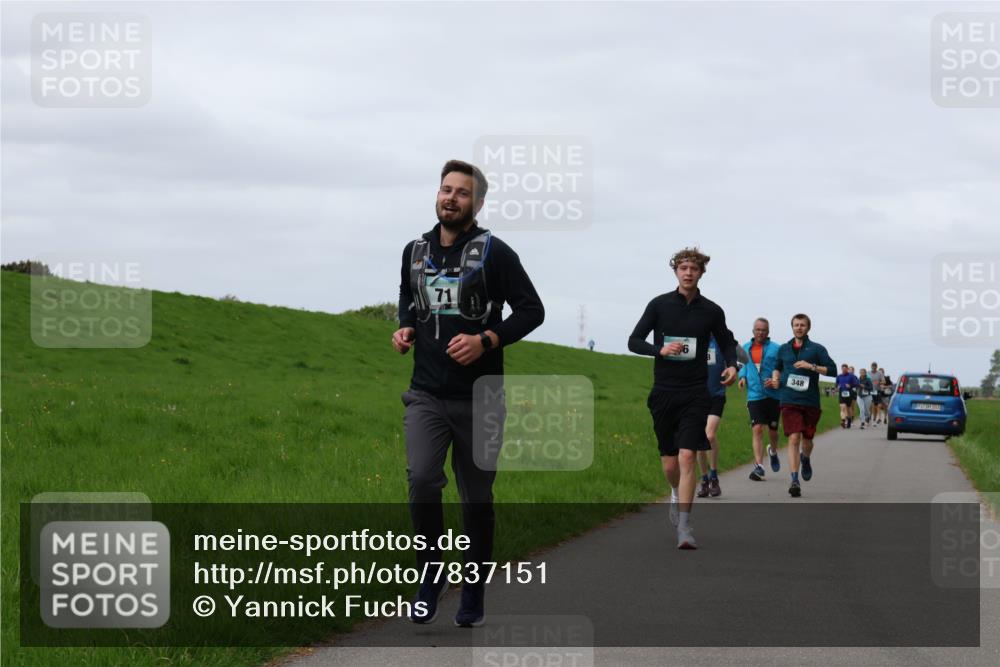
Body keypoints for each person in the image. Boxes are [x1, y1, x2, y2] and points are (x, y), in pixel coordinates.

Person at [394, 159, 544, 626]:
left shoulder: (496, 253)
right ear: (437, 194)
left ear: (477, 204)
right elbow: (408, 295)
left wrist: (487, 339)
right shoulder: (415, 251)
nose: (451, 198)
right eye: (446, 189)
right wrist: (405, 326)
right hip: (426, 394)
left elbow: (532, 310)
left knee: (476, 499)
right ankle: (430, 575)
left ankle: (473, 590)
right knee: (422, 480)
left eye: (462, 193)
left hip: (481, 399)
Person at [628, 247, 739, 549]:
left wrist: (731, 366)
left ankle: (685, 527)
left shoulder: (712, 311)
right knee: (669, 465)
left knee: (688, 455)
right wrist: (659, 350)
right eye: (683, 268)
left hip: (695, 392)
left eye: (694, 268)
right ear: (675, 271)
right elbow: (634, 341)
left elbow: (727, 342)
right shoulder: (659, 305)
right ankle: (675, 493)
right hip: (664, 392)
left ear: (702, 272)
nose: (688, 273)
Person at [771, 314, 836, 497]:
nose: (799, 328)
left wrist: (811, 367)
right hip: (789, 399)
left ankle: (805, 458)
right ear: (792, 327)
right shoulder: (784, 349)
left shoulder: (817, 349)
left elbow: (832, 370)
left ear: (808, 328)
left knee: (807, 440)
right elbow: (777, 367)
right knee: (794, 438)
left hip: (810, 401)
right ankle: (794, 479)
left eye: (802, 325)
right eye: (796, 325)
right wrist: (775, 379)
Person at [737, 318, 782, 481]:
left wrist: (777, 380)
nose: (760, 332)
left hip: (773, 395)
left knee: (773, 431)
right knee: (757, 429)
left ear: (768, 332)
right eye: (758, 329)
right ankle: (759, 466)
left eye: (763, 330)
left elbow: (782, 368)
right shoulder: (745, 347)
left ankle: (773, 451)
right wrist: (742, 377)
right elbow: (742, 365)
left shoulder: (776, 348)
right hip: (755, 395)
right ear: (753, 331)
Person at [835, 364, 859, 428]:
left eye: (845, 369)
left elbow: (856, 384)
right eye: (843, 369)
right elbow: (836, 384)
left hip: (849, 394)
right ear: (841, 369)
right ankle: (843, 420)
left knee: (848, 408)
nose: (844, 370)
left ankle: (849, 420)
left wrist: (850, 386)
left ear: (847, 369)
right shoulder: (839, 376)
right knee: (842, 407)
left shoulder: (851, 376)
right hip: (841, 394)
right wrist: (837, 387)